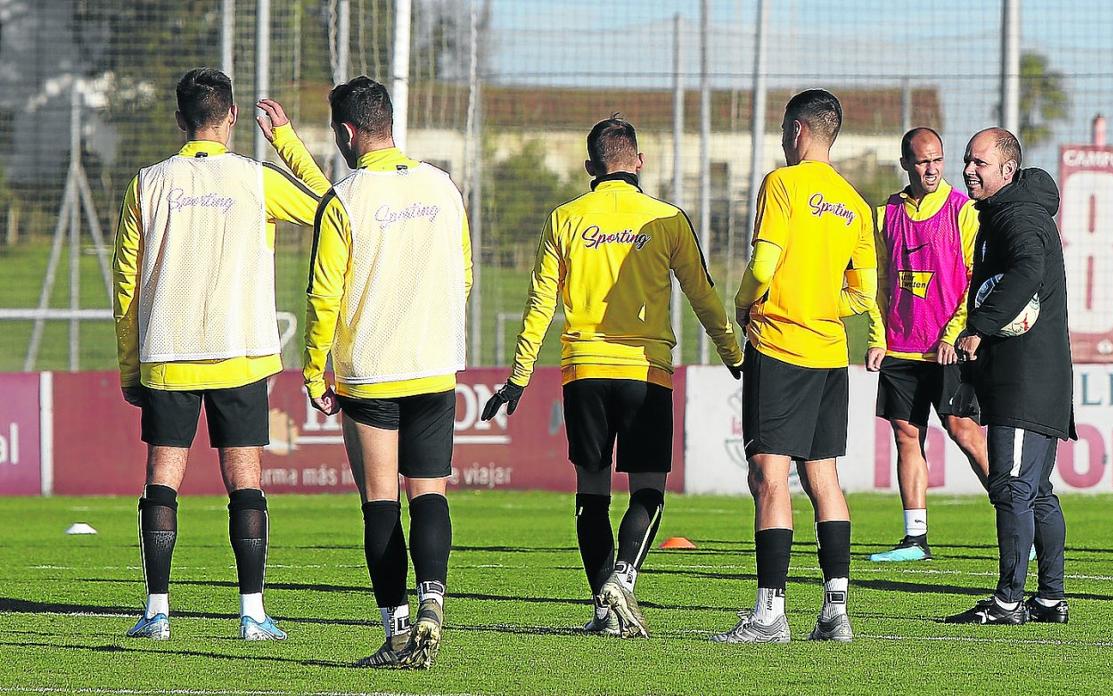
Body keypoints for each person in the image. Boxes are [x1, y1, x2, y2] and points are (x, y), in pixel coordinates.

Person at [482, 115, 743, 639]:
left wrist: (519, 376)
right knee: (649, 487)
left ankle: (604, 608)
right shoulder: (667, 218)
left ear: (589, 168)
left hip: (584, 371)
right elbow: (703, 294)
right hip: (646, 372)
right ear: (639, 162)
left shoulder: (565, 218)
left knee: (592, 492)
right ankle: (623, 578)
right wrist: (734, 353)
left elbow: (540, 303)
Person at [112, 68, 329, 641]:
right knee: (246, 480)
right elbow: (331, 209)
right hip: (242, 353)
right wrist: (287, 142)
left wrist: (130, 365)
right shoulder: (257, 180)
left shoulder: (149, 182)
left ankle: (157, 612)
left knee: (162, 478)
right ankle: (252, 614)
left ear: (180, 121)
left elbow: (126, 285)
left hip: (168, 353)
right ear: (231, 116)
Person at [302, 76, 471, 668]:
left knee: (380, 501)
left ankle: (398, 632)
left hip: (372, 371)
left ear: (348, 132)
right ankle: (432, 602)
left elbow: (325, 294)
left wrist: (313, 368)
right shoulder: (443, 187)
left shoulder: (346, 199)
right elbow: (465, 273)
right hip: (434, 367)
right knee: (429, 493)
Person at [712, 89, 876, 644]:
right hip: (830, 355)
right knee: (823, 477)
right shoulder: (855, 202)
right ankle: (836, 612)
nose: (784, 142)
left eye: (786, 132)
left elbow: (763, 263)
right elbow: (864, 293)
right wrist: (822, 306)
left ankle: (769, 614)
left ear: (799, 131)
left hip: (779, 347)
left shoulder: (782, 184)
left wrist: (742, 303)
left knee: (769, 478)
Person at [946, 128, 1074, 625]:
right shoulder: (1006, 214)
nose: (969, 170)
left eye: (979, 162)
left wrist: (978, 326)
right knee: (1035, 490)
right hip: (1035, 378)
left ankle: (1007, 601)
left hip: (1026, 379)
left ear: (1007, 170)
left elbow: (1025, 271)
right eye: (967, 161)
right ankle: (1048, 598)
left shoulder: (1018, 217)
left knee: (1014, 488)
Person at [865, 127, 989, 562]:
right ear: (905, 164)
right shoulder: (884, 215)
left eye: (937, 159)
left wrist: (954, 333)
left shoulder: (964, 211)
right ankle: (915, 539)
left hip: (948, 346)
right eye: (922, 161)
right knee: (906, 435)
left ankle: (1018, 522)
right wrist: (878, 337)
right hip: (901, 347)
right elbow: (877, 281)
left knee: (964, 431)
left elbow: (975, 280)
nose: (932, 168)